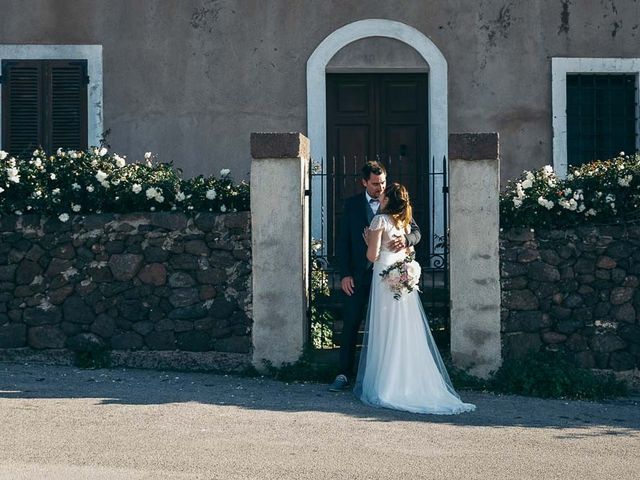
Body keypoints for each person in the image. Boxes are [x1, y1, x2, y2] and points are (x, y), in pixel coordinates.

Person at [354, 183, 475, 414]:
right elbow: (408, 252)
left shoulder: (379, 221)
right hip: (401, 277)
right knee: (405, 328)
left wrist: (368, 238)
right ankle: (409, 381)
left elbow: (372, 255)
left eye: (384, 194)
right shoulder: (402, 222)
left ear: (388, 199)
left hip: (385, 277)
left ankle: (387, 384)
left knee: (386, 328)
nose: (380, 195)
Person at [329, 161, 421, 392]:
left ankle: (386, 375)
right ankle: (343, 373)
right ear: (364, 182)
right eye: (375, 183)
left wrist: (406, 240)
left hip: (388, 277)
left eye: (383, 183)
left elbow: (416, 233)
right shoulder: (351, 206)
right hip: (358, 276)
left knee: (387, 327)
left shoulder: (398, 207)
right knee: (351, 322)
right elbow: (342, 244)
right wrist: (345, 274)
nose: (380, 188)